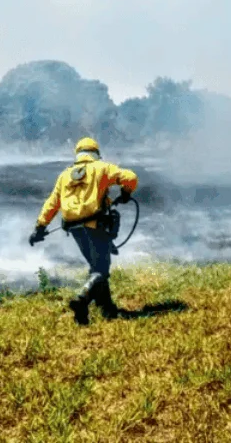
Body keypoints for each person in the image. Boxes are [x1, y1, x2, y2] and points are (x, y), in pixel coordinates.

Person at [30, 137, 138, 325]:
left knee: (96, 266)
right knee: (101, 269)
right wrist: (126, 194)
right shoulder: (102, 167)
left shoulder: (65, 175)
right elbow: (130, 178)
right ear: (96, 153)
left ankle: (107, 308)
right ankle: (82, 299)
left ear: (78, 154)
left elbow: (52, 203)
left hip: (74, 228)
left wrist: (40, 228)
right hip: (95, 224)